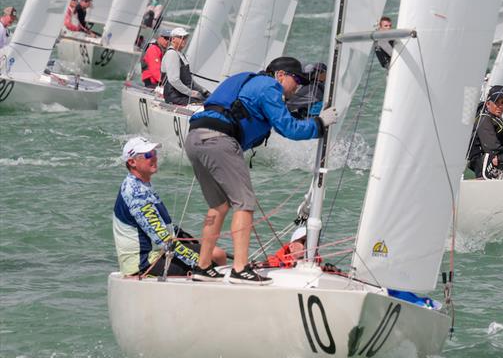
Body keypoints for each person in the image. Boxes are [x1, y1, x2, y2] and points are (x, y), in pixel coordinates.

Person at [185, 56, 338, 283]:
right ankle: (240, 269)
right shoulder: (269, 86)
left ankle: (203, 266)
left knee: (217, 206)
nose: (297, 87)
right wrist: (320, 124)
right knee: (244, 204)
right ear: (280, 75)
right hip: (219, 140)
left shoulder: (246, 81)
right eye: (296, 79)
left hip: (194, 137)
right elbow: (290, 129)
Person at [112, 136, 226, 277]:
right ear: (132, 162)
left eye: (154, 153)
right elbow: (164, 241)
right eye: (148, 155)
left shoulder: (141, 184)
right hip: (144, 262)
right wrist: (198, 263)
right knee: (211, 261)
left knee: (217, 254)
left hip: (157, 253)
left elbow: (159, 226)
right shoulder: (136, 193)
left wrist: (183, 236)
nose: (154, 158)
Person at [160, 27, 209, 105]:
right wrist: (191, 93)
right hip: (174, 97)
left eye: (185, 38)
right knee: (205, 104)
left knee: (209, 100)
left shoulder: (180, 54)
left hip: (182, 94)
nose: (184, 40)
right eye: (181, 37)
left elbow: (188, 81)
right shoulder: (172, 54)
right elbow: (174, 80)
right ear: (173, 39)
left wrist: (203, 90)